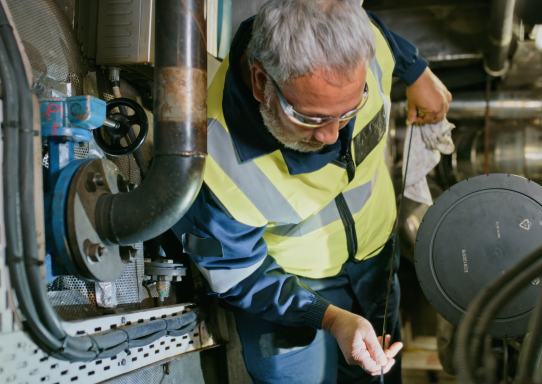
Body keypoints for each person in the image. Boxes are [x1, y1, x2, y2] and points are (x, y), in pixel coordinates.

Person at [172, 0, 451, 382]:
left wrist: (418, 71)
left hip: (375, 263)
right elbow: (238, 276)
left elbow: (378, 34)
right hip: (287, 295)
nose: (331, 135)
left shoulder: (362, 51)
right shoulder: (210, 159)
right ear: (260, 82)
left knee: (376, 374)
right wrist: (330, 318)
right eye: (310, 117)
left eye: (349, 111)